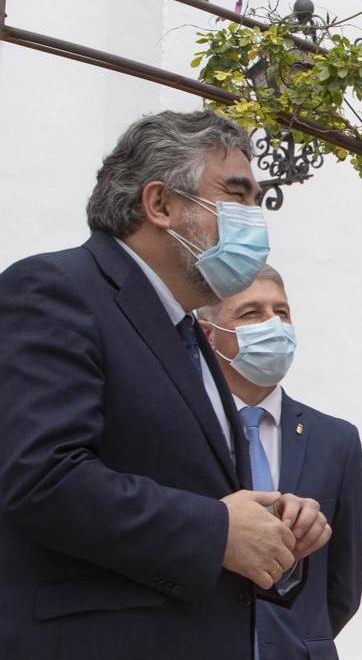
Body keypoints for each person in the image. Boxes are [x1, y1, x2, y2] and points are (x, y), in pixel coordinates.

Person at [0, 111, 330, 659]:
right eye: (237, 194)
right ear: (160, 205)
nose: (255, 217)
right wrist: (215, 530)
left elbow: (190, 485)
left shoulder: (188, 330)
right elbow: (41, 476)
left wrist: (272, 526)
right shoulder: (57, 290)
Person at [198, 265, 362, 659]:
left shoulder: (336, 441)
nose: (273, 325)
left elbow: (342, 587)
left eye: (282, 312)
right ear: (209, 335)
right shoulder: (178, 431)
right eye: (251, 313)